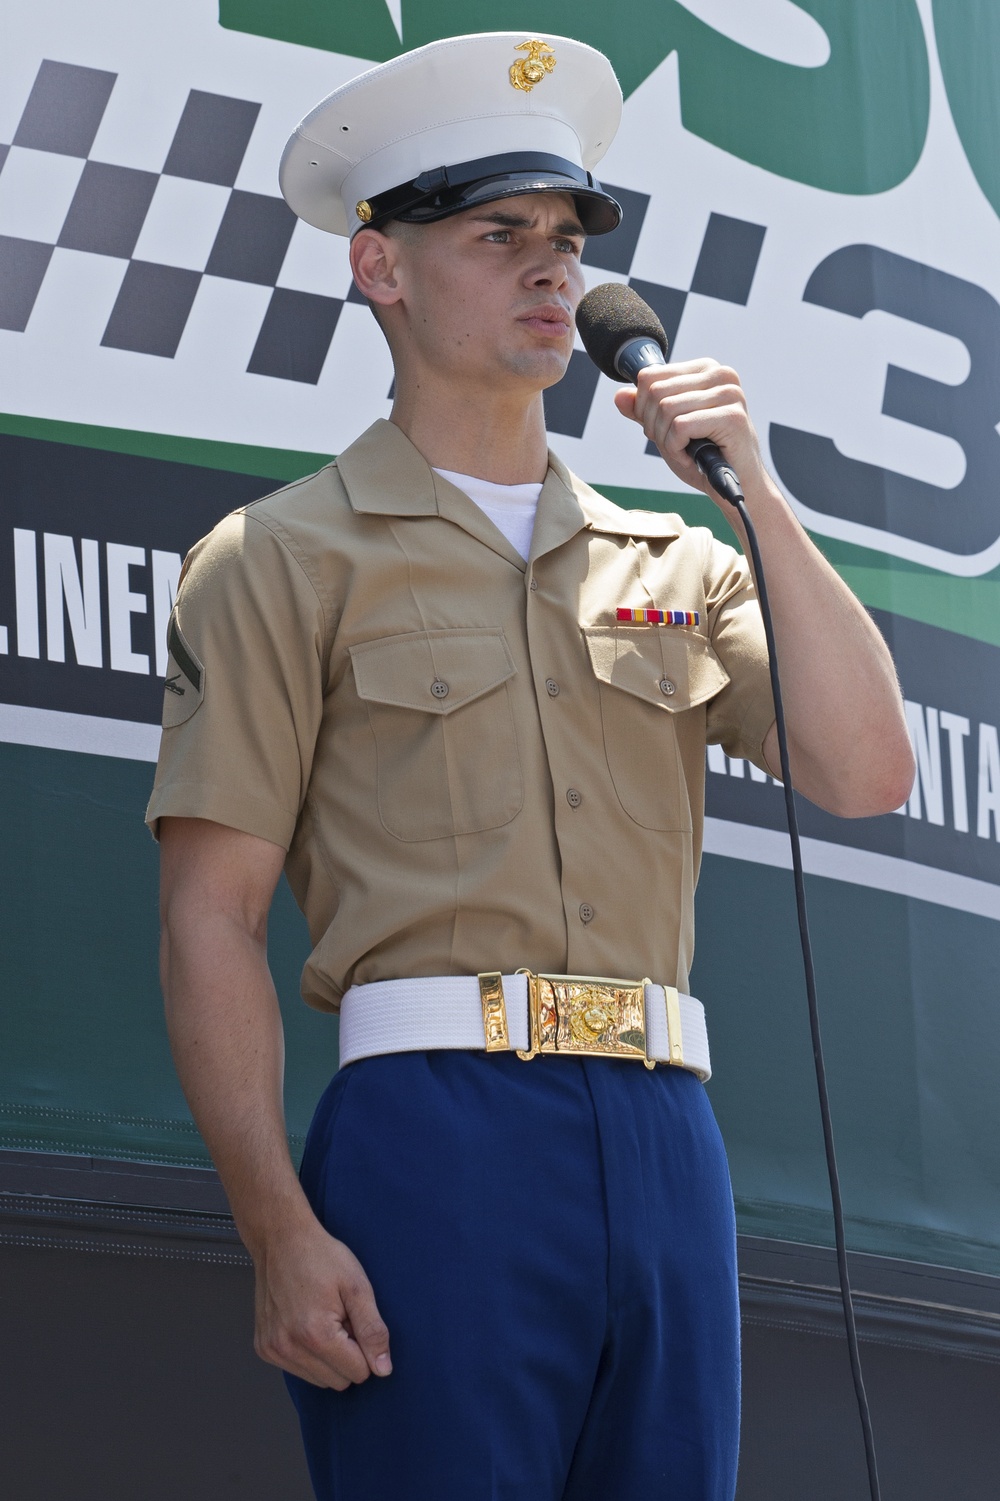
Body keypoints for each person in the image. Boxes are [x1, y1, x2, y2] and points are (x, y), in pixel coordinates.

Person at [148, 31, 914, 1501]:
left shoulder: (680, 555)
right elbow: (210, 917)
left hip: (666, 1129)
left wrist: (755, 489)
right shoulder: (280, 559)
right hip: (437, 1133)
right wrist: (277, 1229)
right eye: (499, 236)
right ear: (382, 269)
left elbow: (867, 767)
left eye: (565, 241)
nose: (551, 272)